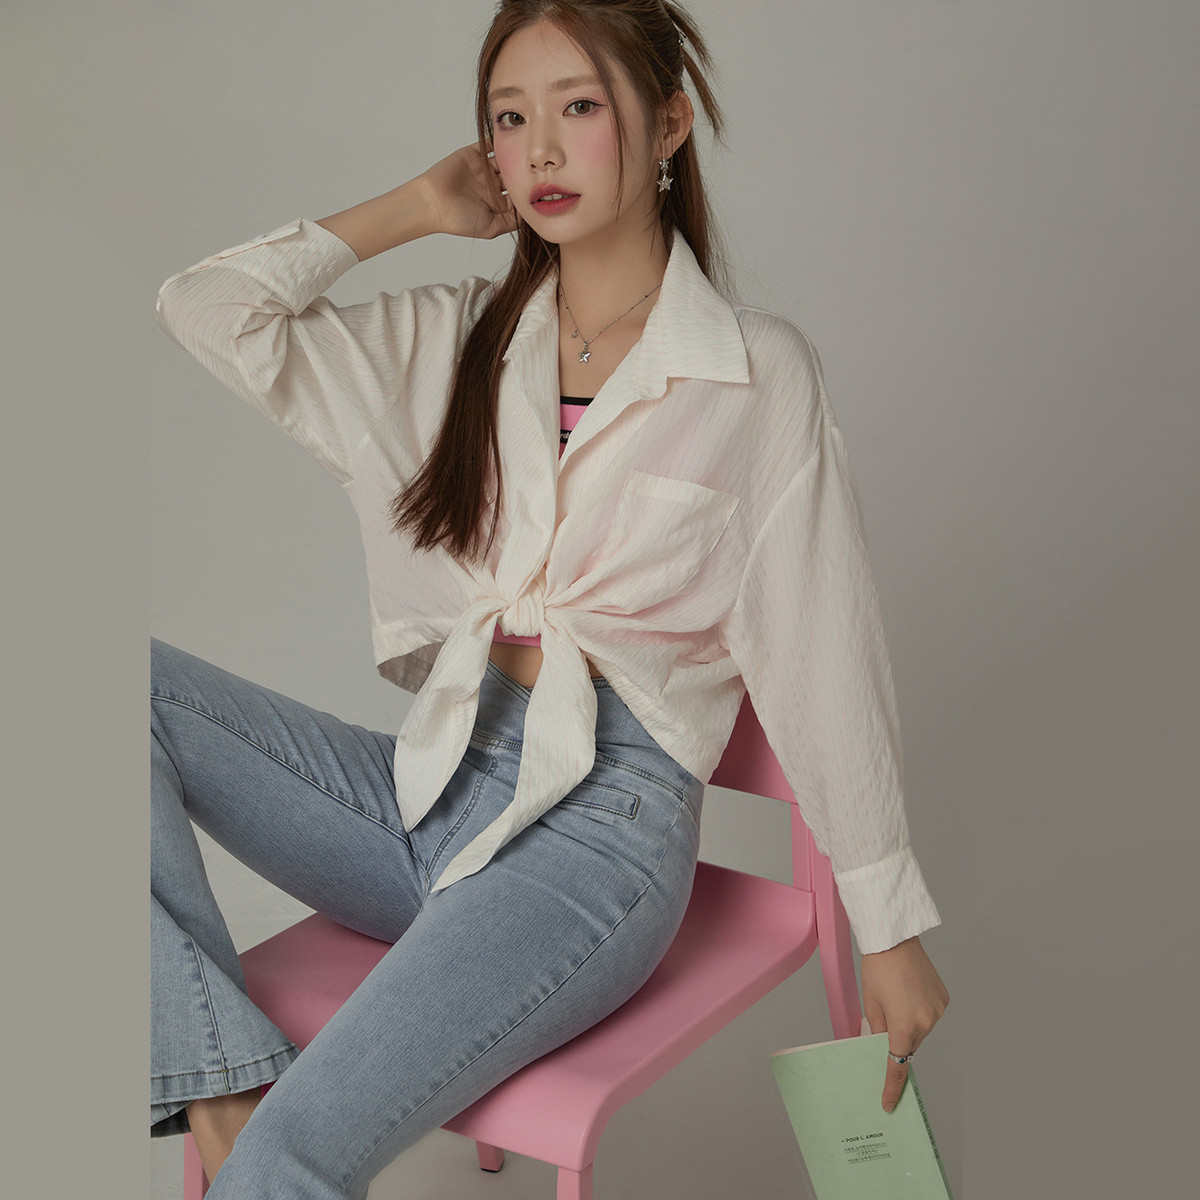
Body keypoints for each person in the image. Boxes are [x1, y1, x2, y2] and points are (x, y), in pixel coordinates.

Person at [151, 2, 950, 1195]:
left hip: (597, 838)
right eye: (509, 119)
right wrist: (414, 208)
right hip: (431, 788)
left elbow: (823, 650)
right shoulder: (457, 339)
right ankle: (221, 1080)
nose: (540, 150)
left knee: (292, 1161)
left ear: (667, 123)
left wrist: (887, 925)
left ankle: (258, 1134)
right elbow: (203, 310)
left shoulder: (753, 374)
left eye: (578, 107)